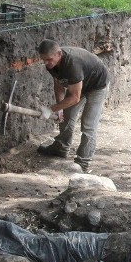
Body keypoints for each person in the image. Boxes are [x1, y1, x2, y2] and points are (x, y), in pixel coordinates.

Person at [36, 39, 109, 174]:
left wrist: (51, 109)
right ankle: (61, 148)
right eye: (43, 60)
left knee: (88, 125)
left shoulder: (72, 65)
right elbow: (59, 84)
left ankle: (83, 163)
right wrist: (60, 109)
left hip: (97, 85)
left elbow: (75, 97)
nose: (46, 63)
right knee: (66, 117)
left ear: (59, 54)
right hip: (79, 83)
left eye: (49, 59)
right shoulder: (52, 63)